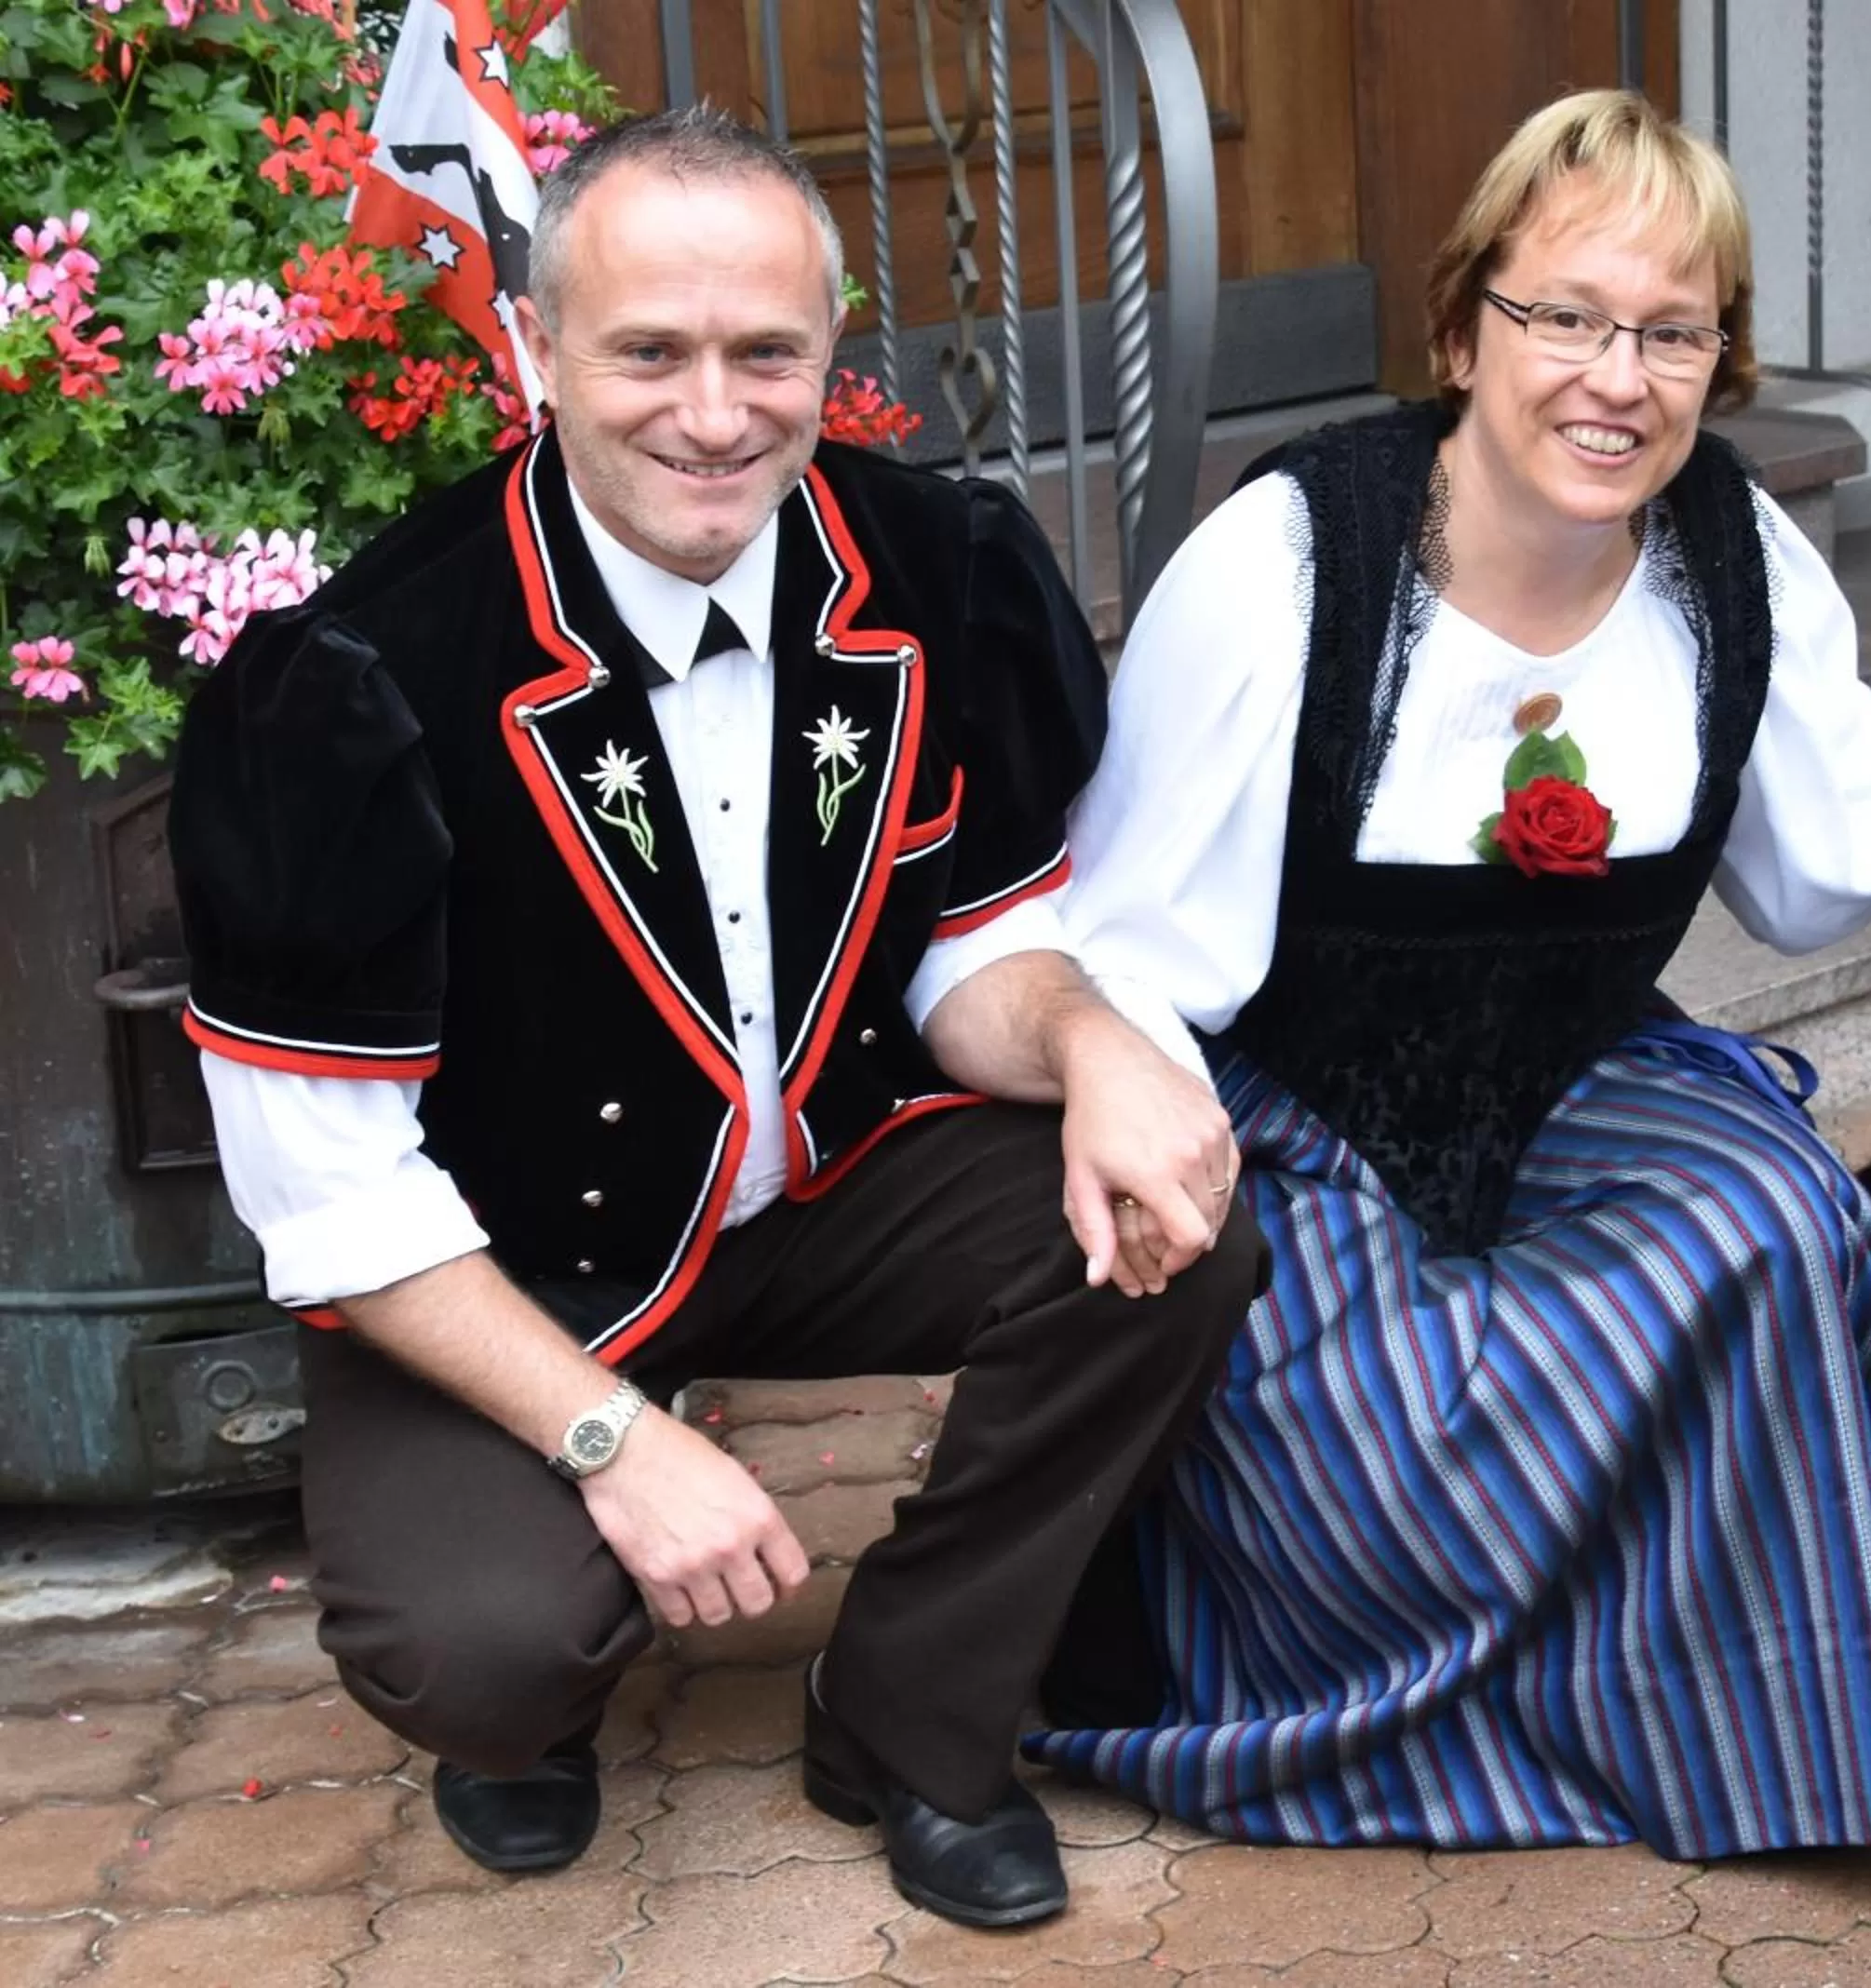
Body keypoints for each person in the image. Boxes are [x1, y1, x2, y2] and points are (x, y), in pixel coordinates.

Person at [168, 106, 1261, 1928]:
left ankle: (907, 1711)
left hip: (821, 1186)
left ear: (831, 349)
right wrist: (621, 1442)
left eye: (767, 353)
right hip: (507, 1257)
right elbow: (331, 1193)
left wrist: (1095, 1049)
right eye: (649, 353)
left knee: (1173, 1228)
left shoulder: (935, 569)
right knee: (482, 1654)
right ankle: (536, 1674)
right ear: (534, 349)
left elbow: (975, 947)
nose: (715, 413)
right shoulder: (359, 679)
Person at [1026, 89, 1871, 1858]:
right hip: (1299, 1105)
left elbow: (1839, 836)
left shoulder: (1729, 555)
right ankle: (1565, 1713)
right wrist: (1134, 1123)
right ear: (1460, 329)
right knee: (1410, 1428)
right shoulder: (1290, 563)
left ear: (1717, 361)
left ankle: (1778, 1729)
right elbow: (1126, 941)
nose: (1615, 378)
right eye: (1565, 315)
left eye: (1671, 332)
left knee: (1783, 1239)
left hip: (1578, 1077)